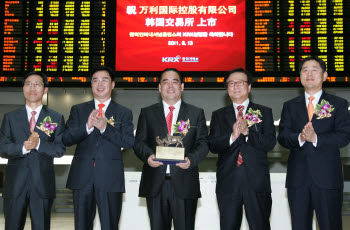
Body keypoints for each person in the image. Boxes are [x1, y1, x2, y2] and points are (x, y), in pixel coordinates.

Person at [277, 56, 350, 230]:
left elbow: (344, 136)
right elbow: (283, 136)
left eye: (314, 69)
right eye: (305, 70)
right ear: (300, 76)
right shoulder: (290, 106)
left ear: (324, 76)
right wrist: (301, 138)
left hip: (327, 179)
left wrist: (316, 138)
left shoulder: (338, 104)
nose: (309, 73)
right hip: (298, 179)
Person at [133, 68, 209, 230]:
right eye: (165, 81)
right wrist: (148, 157)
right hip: (155, 183)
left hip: (185, 182)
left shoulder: (196, 113)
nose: (170, 86)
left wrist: (191, 160)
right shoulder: (147, 113)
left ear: (182, 86)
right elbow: (139, 142)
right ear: (159, 87)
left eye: (175, 81)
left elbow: (203, 143)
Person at [62, 66, 134, 230]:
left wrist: (105, 128)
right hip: (82, 178)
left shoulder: (124, 112)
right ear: (91, 84)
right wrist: (86, 127)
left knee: (109, 225)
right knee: (81, 225)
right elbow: (66, 139)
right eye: (95, 80)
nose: (100, 84)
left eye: (105, 80)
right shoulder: (78, 110)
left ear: (113, 85)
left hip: (110, 179)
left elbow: (128, 142)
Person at [208, 68, 276, 230]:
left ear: (249, 87)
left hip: (257, 182)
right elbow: (212, 145)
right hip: (228, 182)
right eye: (231, 83)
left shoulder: (264, 112)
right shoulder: (218, 115)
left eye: (240, 82)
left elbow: (270, 143)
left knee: (260, 225)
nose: (236, 86)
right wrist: (232, 136)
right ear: (227, 89)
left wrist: (247, 133)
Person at [0, 71, 65, 230]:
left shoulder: (55, 118)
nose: (32, 88)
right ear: (23, 89)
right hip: (15, 185)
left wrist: (38, 145)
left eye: (37, 84)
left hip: (42, 184)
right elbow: (3, 147)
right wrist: (23, 147)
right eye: (28, 83)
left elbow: (59, 149)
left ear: (45, 90)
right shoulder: (10, 117)